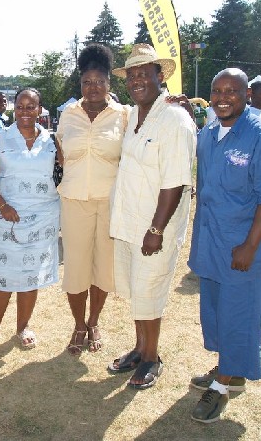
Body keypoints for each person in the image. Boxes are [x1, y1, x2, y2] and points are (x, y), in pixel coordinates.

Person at [188, 68, 261, 423]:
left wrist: (250, 245)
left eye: (232, 91)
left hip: (243, 247)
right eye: (217, 91)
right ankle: (227, 368)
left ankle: (225, 385)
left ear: (247, 95)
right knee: (216, 313)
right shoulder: (209, 133)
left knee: (239, 316)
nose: (223, 97)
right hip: (212, 243)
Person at [107, 43, 196, 389]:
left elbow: (175, 181)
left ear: (161, 77)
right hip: (130, 222)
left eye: (144, 73)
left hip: (154, 227)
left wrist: (156, 228)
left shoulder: (175, 119)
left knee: (150, 290)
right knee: (137, 291)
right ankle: (139, 348)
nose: (137, 80)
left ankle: (151, 358)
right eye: (132, 75)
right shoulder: (134, 116)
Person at [55, 43, 130, 355]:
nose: (93, 87)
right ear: (80, 85)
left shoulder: (124, 115)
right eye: (87, 82)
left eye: (99, 81)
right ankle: (78, 324)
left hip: (110, 203)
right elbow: (59, 156)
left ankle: (95, 320)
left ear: (109, 84)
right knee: (76, 268)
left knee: (104, 267)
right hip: (73, 202)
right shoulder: (68, 116)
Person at [0, 88, 60, 351]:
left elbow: (63, 173)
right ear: (14, 108)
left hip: (41, 222)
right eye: (21, 106)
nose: (25, 111)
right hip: (6, 221)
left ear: (40, 109)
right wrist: (2, 205)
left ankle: (23, 326)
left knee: (29, 277)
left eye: (31, 106)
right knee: (1, 278)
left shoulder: (51, 141)